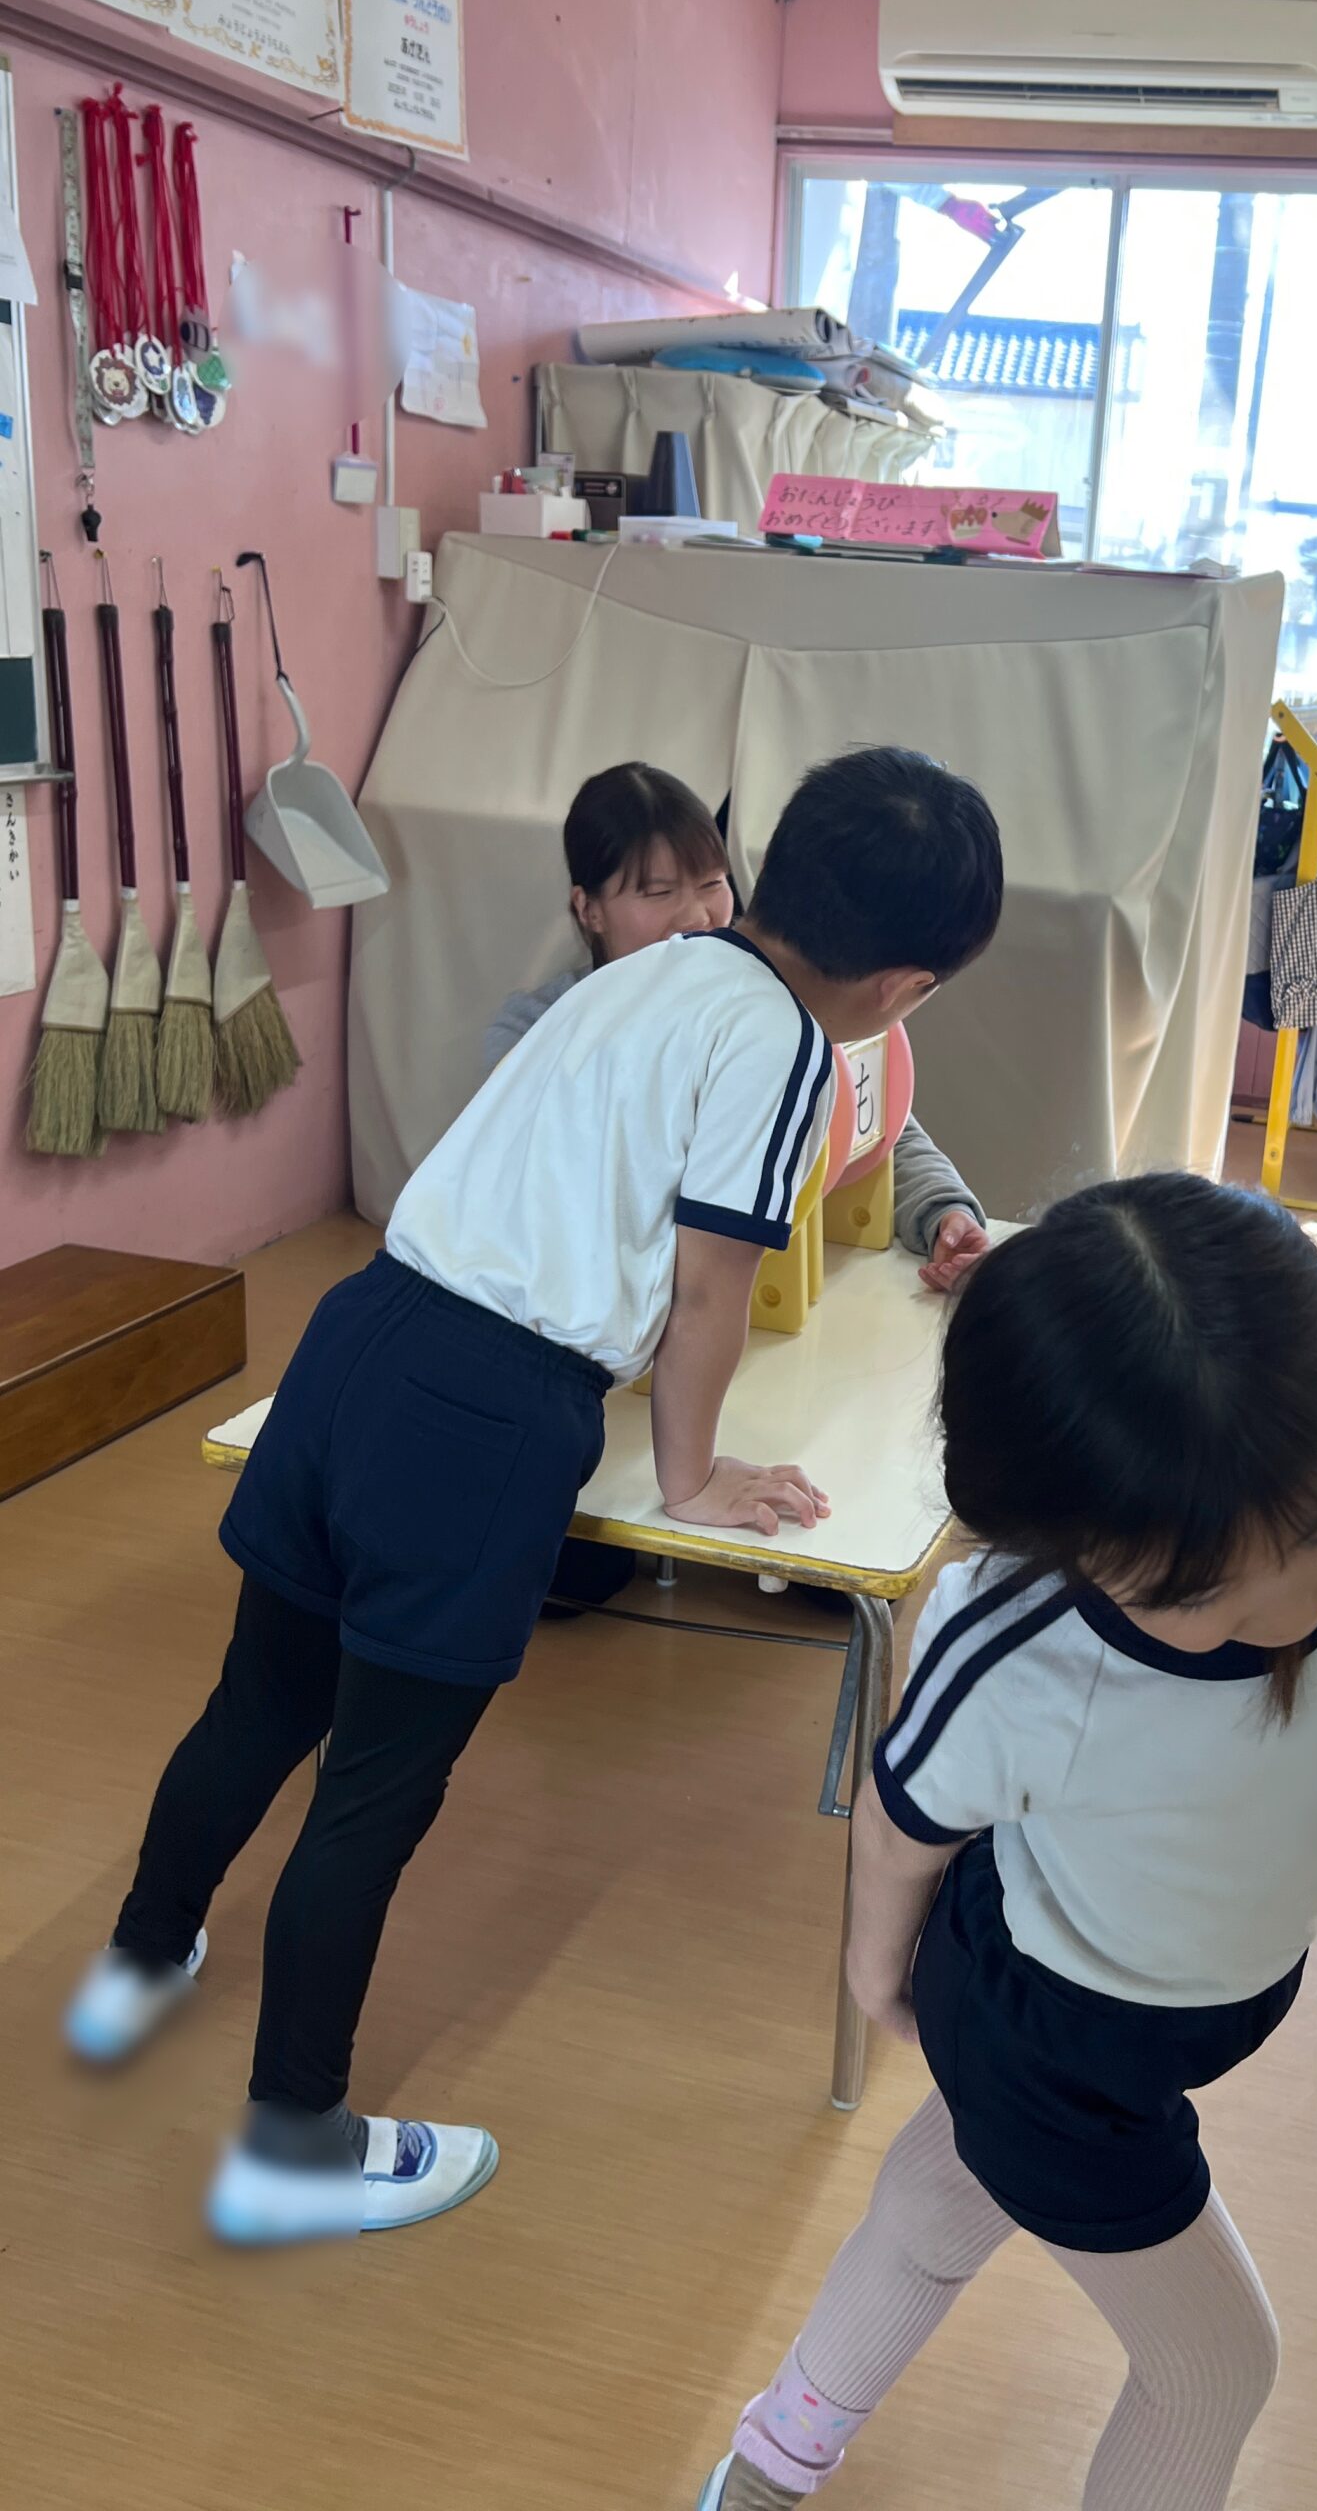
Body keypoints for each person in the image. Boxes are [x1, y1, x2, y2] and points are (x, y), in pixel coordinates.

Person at [63, 747, 1004, 2250]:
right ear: (904, 987)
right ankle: (295, 2143)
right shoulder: (785, 1047)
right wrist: (694, 1479)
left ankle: (141, 1956)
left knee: (261, 1701)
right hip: (484, 1411)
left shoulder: (653, 971)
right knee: (374, 1793)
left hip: (359, 1337)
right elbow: (713, 1288)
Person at [698, 1173, 1317, 2511]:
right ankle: (773, 2458)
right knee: (1215, 2371)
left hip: (1175, 2008)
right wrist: (876, 1971)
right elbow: (903, 1823)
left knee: (946, 2196)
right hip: (1045, 2031)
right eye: (1208, 1591)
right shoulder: (1016, 1649)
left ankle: (771, 2459)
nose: (1291, 1600)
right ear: (1080, 1551)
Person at [485, 765, 993, 1621]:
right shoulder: (587, 1023)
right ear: (588, 909)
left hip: (683, 1337)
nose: (693, 914)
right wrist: (687, 1483)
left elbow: (881, 1122)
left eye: (711, 883)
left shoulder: (756, 1021)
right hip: (560, 1358)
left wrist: (945, 1212)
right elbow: (700, 1285)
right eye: (656, 892)